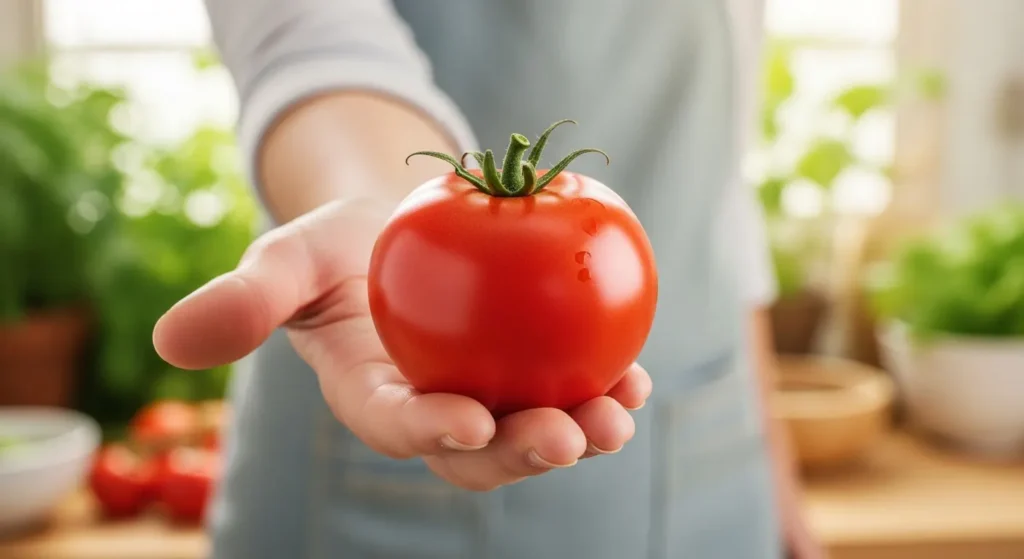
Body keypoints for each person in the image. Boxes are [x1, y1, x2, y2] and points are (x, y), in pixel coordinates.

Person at [153, 1, 826, 557]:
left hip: (712, 458)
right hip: (374, 484)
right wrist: (383, 205)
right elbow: (309, 38)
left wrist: (772, 451)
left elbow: (715, 172)